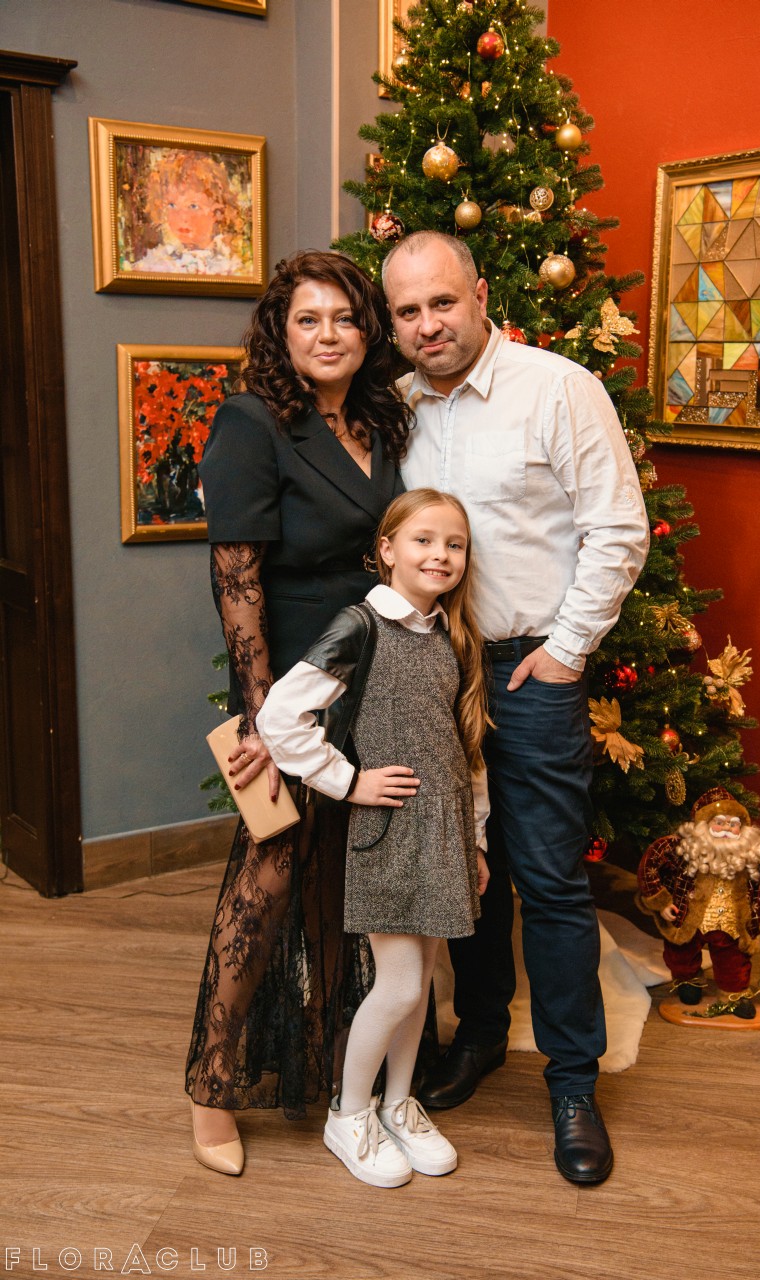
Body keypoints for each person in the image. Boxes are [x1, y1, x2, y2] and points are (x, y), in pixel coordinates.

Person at [381, 231, 650, 1186]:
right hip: (433, 670)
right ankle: (480, 1035)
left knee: (548, 877)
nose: (427, 325)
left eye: (442, 303)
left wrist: (567, 651)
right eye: (407, 312)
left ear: (481, 294)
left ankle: (573, 1084)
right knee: (464, 872)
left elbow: (618, 528)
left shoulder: (558, 388)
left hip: (531, 669)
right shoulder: (395, 410)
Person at [185, 250, 411, 1176]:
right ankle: (210, 1089)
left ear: (368, 331)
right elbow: (236, 577)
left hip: (377, 671)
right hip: (292, 688)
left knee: (344, 875)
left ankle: (327, 1061)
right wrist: (259, 720)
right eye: (307, 318)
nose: (328, 335)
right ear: (281, 332)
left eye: (345, 318)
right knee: (270, 871)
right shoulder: (252, 421)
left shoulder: (379, 418)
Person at [256, 489, 491, 1187]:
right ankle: (349, 1111)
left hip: (445, 831)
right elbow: (280, 716)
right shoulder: (361, 626)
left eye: (454, 544)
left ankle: (398, 1103)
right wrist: (348, 781)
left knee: (423, 983)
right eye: (424, 540)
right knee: (400, 983)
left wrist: (476, 839)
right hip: (390, 831)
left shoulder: (451, 634)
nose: (440, 555)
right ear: (387, 550)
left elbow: (466, 750)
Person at [637, 787, 760, 1019]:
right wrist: (661, 901)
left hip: (732, 923)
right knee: (680, 955)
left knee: (734, 962)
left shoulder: (753, 853)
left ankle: (733, 994)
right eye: (719, 823)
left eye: (733, 824)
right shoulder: (684, 848)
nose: (727, 829)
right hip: (687, 918)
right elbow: (651, 860)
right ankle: (688, 980)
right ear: (704, 824)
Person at [130, 150, 249, 276]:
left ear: (217, 212)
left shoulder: (232, 267)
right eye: (172, 205)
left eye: (193, 206)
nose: (182, 217)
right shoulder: (154, 265)